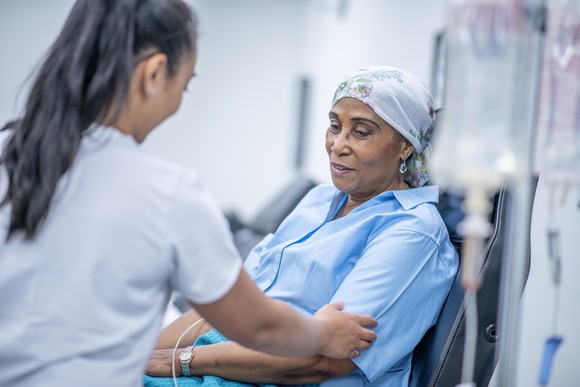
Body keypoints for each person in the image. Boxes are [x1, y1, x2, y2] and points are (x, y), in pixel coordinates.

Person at [0, 1, 378, 386]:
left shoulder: (7, 147)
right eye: (186, 84)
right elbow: (260, 326)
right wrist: (325, 333)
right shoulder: (166, 194)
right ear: (154, 73)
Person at [143, 65, 460, 387]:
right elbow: (232, 304)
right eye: (335, 126)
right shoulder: (319, 200)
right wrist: (139, 357)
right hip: (219, 365)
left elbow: (322, 362)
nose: (338, 144)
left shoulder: (411, 233)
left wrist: (178, 361)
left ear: (405, 145)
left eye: (361, 132)